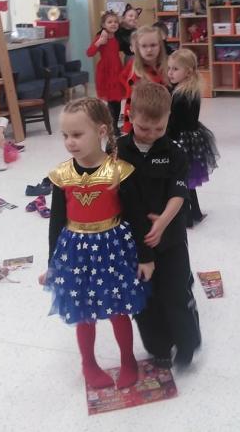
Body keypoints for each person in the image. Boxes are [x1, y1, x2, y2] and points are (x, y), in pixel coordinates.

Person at [40, 97, 150, 389]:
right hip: (75, 252)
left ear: (101, 131)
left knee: (118, 309)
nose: (70, 142)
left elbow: (137, 217)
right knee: (82, 312)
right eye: (65, 135)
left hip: (112, 249)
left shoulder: (119, 171)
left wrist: (145, 256)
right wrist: (52, 265)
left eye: (77, 134)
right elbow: (56, 223)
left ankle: (128, 359)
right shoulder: (62, 176)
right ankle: (88, 363)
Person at [117, 81, 201, 368]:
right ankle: (159, 347)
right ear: (130, 115)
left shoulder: (175, 151)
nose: (151, 134)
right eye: (143, 128)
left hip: (171, 237)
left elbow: (180, 191)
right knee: (146, 299)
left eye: (159, 129)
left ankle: (187, 343)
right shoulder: (117, 151)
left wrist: (163, 221)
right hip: (134, 240)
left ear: (168, 119)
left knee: (176, 291)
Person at [166, 49, 219, 226]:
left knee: (181, 179)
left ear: (188, 72)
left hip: (180, 139)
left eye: (175, 69)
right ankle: (195, 212)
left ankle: (187, 217)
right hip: (191, 137)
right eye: (169, 68)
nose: (170, 73)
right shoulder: (190, 89)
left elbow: (175, 122)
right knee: (187, 180)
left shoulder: (180, 95)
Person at [120, 25, 168, 134]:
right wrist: (129, 90)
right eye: (144, 46)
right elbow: (122, 78)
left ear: (160, 46)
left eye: (153, 45)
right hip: (138, 113)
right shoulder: (133, 66)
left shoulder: (164, 66)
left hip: (158, 112)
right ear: (137, 48)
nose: (149, 50)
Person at [86, 11, 125, 131]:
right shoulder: (101, 37)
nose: (113, 24)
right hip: (106, 71)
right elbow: (89, 53)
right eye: (110, 22)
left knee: (117, 100)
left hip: (117, 70)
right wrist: (99, 42)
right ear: (103, 25)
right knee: (112, 100)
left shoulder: (118, 37)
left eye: (115, 22)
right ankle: (112, 126)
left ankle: (113, 125)